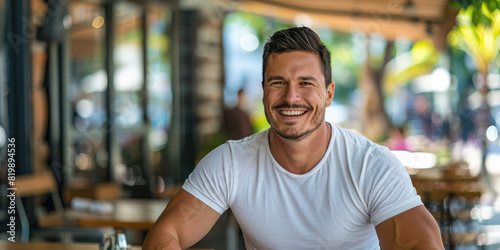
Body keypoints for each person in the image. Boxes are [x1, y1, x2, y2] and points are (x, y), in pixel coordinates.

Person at [143, 26, 443, 249]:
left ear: (328, 94)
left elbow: (422, 242)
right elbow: (166, 235)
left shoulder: (370, 165)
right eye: (278, 83)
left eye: (305, 83)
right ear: (263, 90)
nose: (291, 97)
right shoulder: (231, 163)